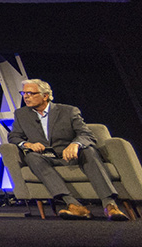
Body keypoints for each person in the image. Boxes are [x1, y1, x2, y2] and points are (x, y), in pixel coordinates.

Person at [7, 78, 130, 220]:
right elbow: (14, 137)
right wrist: (28, 145)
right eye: (23, 93)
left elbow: (86, 134)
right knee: (31, 157)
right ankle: (73, 205)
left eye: (30, 93)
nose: (26, 97)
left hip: (73, 156)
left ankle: (110, 206)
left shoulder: (68, 111)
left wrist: (75, 144)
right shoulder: (21, 114)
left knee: (89, 150)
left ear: (45, 96)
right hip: (47, 157)